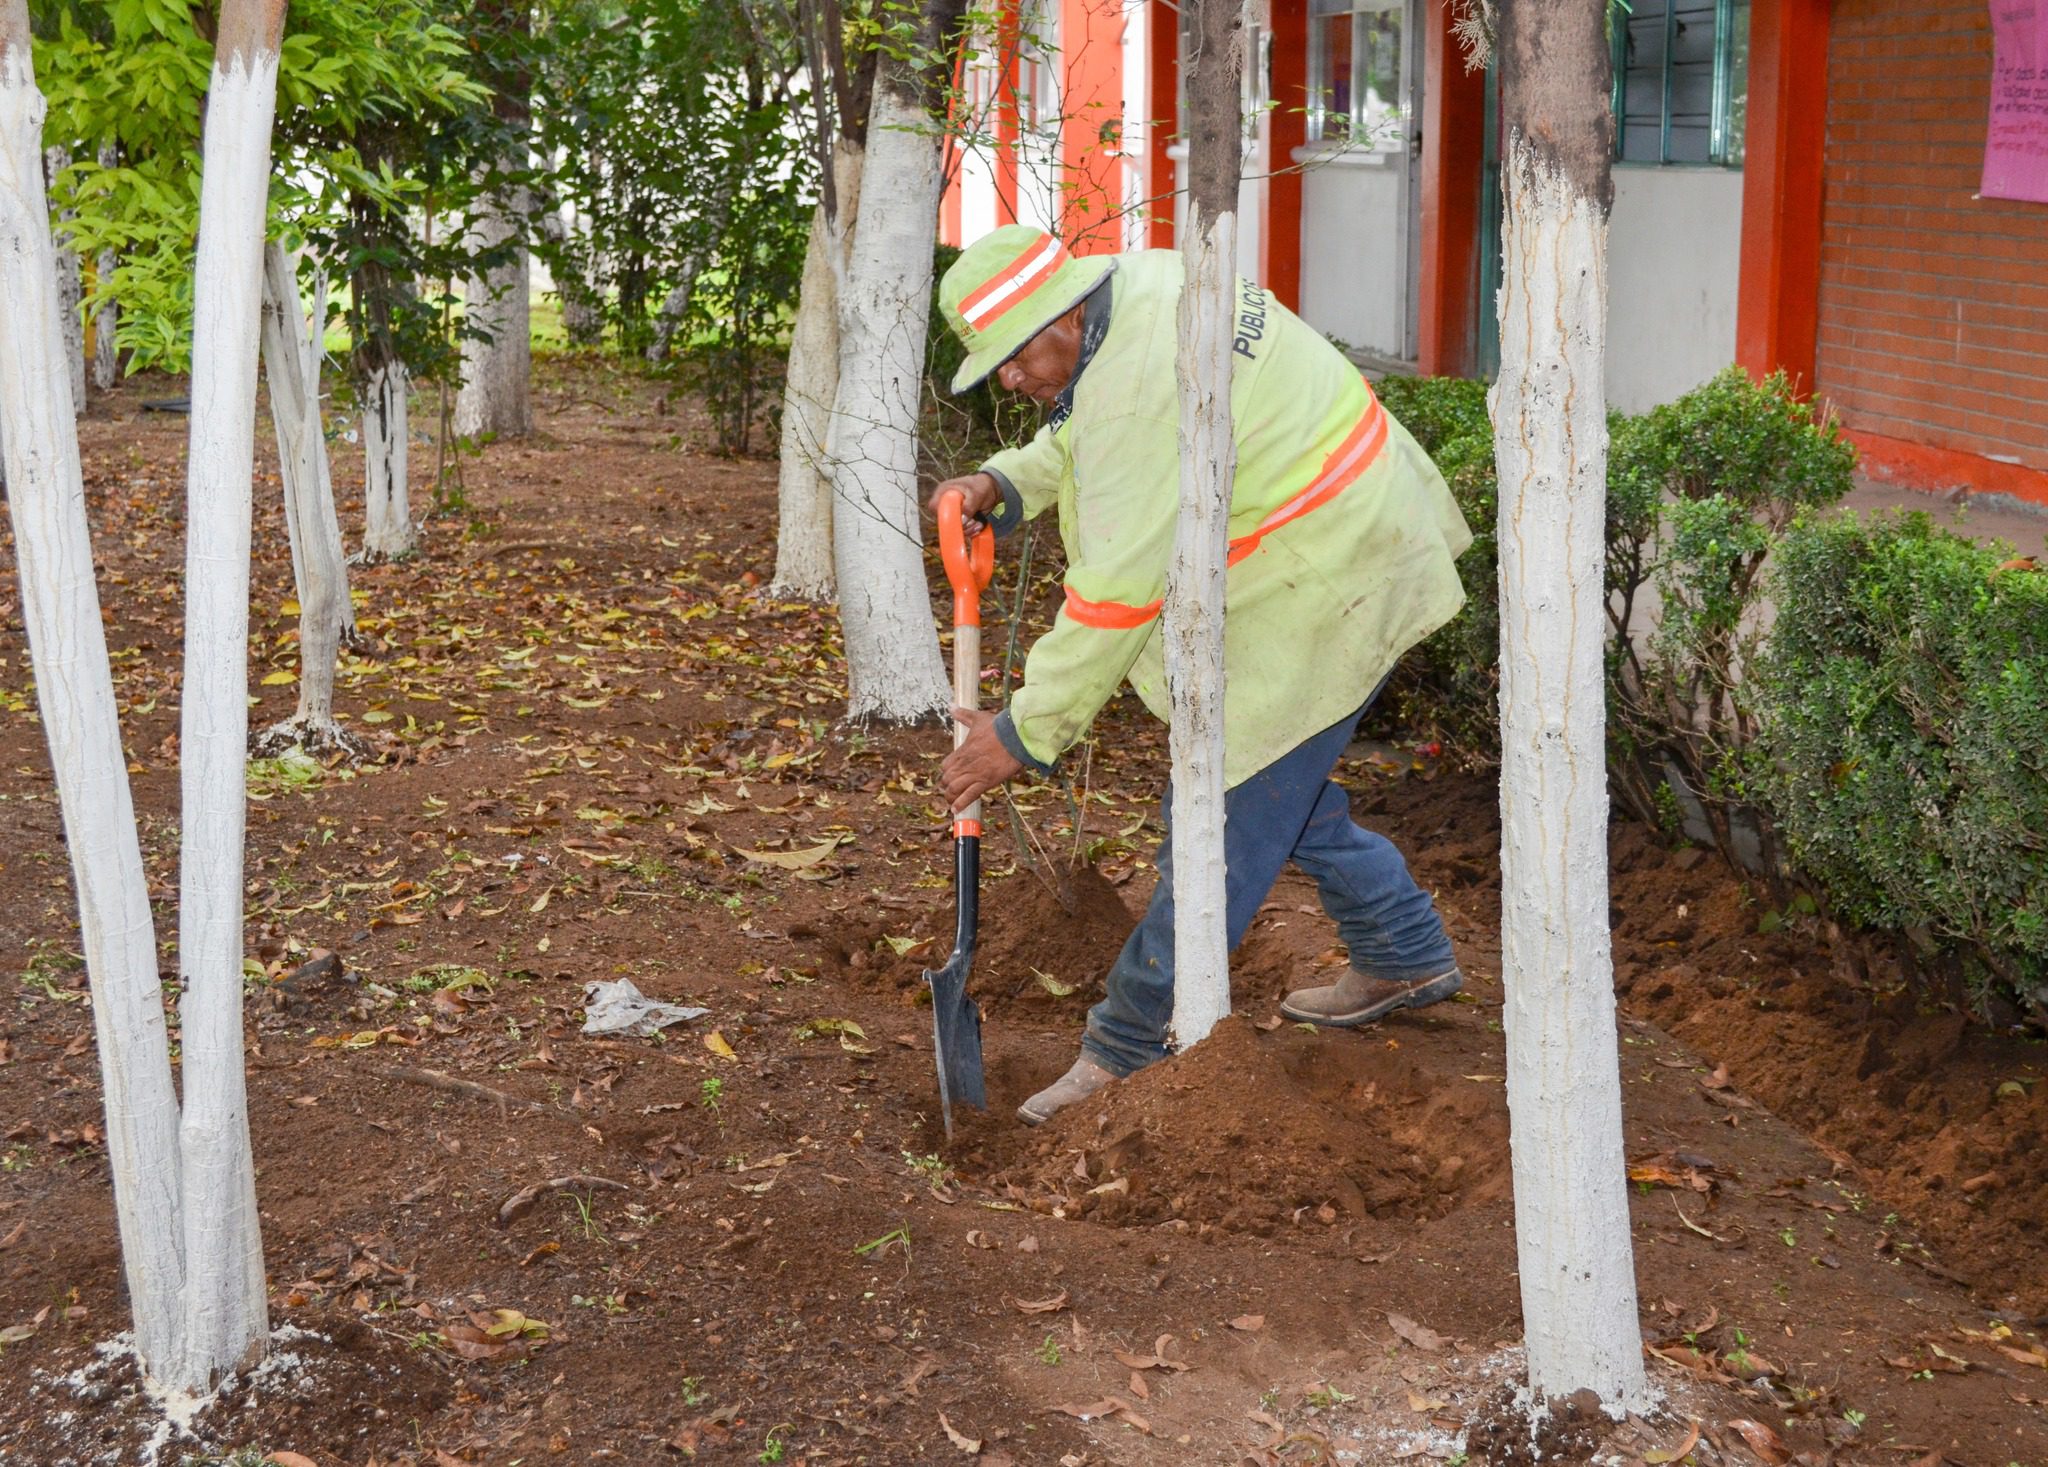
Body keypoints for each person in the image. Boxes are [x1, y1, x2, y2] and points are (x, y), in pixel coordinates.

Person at [929, 224, 1473, 1127]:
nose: (1012, 383)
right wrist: (1003, 483)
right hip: (1349, 533)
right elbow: (1084, 438)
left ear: (1063, 316)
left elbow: (1113, 597)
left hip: (1331, 575)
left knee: (1217, 822)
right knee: (1279, 790)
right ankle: (1404, 949)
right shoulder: (1142, 289)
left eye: (1013, 361)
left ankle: (1126, 1048)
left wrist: (1020, 734)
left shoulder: (1136, 389)